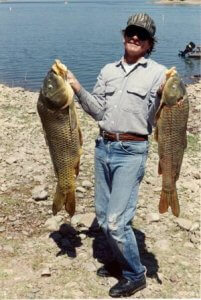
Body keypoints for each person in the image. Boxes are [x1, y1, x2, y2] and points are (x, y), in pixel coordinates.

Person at [68, 13, 166, 298]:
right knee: (102, 214)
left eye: (142, 35)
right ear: (124, 35)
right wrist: (75, 86)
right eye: (132, 32)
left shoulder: (159, 74)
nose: (135, 37)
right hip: (103, 147)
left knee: (117, 221)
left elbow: (162, 112)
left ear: (149, 44)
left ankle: (136, 274)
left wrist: (165, 94)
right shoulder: (108, 70)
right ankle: (118, 260)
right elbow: (98, 110)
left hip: (132, 151)